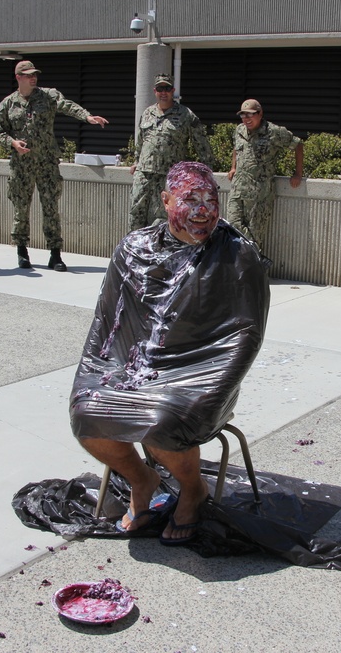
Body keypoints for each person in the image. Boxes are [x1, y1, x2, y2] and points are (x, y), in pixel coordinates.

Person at [71, 161, 269, 545]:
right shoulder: (134, 248)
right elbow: (105, 327)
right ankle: (142, 480)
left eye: (211, 200)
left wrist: (205, 392)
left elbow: (245, 337)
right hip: (135, 370)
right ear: (164, 200)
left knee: (161, 421)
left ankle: (193, 490)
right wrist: (95, 377)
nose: (202, 211)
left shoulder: (237, 255)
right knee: (86, 412)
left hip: (205, 379)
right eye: (190, 199)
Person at [0, 60, 108, 271]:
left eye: (35, 74)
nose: (33, 78)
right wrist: (13, 143)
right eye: (28, 75)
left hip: (47, 163)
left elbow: (67, 105)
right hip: (21, 165)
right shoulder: (8, 104)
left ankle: (55, 255)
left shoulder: (48, 96)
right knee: (21, 209)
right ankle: (22, 251)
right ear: (18, 77)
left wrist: (87, 117)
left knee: (51, 209)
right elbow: (0, 133)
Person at [128, 74, 214, 231]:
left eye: (167, 88)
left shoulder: (186, 115)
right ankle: (134, 250)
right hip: (144, 174)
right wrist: (136, 161)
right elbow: (140, 142)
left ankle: (158, 252)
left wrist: (206, 173)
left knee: (162, 217)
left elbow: (202, 145)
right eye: (160, 89)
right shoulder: (147, 113)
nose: (163, 92)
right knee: (135, 213)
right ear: (155, 91)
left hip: (169, 177)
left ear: (173, 90)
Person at [225, 99, 304, 252]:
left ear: (260, 114)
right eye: (243, 115)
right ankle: (245, 263)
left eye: (250, 115)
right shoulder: (239, 130)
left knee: (254, 236)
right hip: (237, 190)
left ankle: (253, 270)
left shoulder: (274, 132)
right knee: (232, 226)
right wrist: (233, 167)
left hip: (259, 194)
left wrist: (298, 173)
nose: (246, 119)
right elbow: (237, 148)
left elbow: (298, 144)